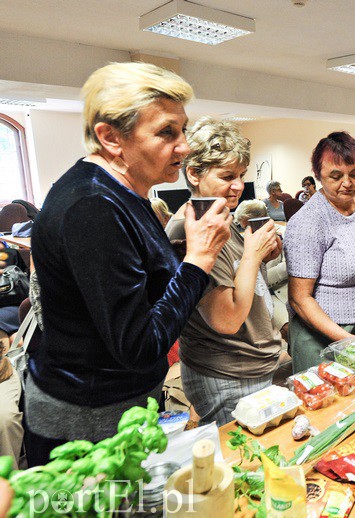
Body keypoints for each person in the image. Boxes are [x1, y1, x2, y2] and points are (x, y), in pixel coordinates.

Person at [27, 62, 230, 465]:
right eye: (166, 132)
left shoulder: (123, 194)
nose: (185, 145)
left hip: (121, 406)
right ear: (110, 138)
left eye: (183, 129)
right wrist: (198, 260)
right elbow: (139, 346)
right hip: (88, 422)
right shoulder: (93, 206)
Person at [168, 119, 282, 426]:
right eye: (226, 176)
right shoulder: (189, 229)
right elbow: (226, 319)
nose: (238, 186)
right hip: (228, 374)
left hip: (250, 367)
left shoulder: (219, 216)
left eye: (241, 175)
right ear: (193, 173)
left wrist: (262, 254)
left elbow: (240, 276)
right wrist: (252, 254)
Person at [284, 132, 355, 372]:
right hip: (325, 334)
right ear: (318, 176)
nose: (347, 183)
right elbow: (300, 298)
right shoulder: (308, 221)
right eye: (335, 176)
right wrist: (349, 341)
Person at [234, 199, 290, 341]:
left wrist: (255, 268)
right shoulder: (246, 240)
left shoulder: (284, 234)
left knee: (285, 327)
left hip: (280, 292)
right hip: (258, 292)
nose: (244, 230)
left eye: (246, 225)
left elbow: (287, 268)